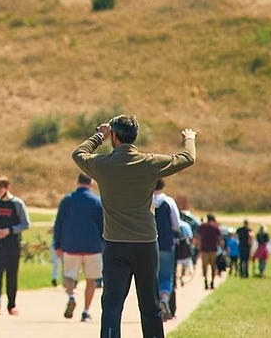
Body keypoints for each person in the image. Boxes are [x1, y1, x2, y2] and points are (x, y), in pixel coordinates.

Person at [73, 114, 196, 338]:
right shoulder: (148, 163)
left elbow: (78, 154)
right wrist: (189, 138)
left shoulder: (103, 165)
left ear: (115, 137)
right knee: (150, 304)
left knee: (112, 305)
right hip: (146, 244)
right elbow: (187, 157)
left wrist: (100, 135)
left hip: (114, 244)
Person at [54, 173, 104, 323]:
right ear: (91, 182)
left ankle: (71, 296)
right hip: (92, 247)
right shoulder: (97, 201)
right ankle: (86, 311)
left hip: (71, 245)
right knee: (91, 280)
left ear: (77, 182)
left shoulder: (67, 200)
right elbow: (103, 226)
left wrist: (57, 244)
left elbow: (59, 224)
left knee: (69, 276)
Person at [0, 176, 30, 315]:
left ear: (7, 188)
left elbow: (26, 224)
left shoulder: (17, 204)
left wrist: (9, 230)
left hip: (13, 245)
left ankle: (12, 305)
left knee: (12, 275)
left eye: (0, 187)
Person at [151, 180, 180, 319]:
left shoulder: (146, 201)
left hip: (149, 244)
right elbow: (176, 224)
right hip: (166, 244)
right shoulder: (168, 202)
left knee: (152, 277)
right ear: (163, 186)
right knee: (166, 276)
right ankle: (164, 299)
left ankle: (155, 306)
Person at [195, 214, 221, 290]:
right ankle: (212, 282)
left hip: (204, 249)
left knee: (204, 266)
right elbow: (219, 239)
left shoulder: (202, 226)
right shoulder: (216, 227)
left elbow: (198, 237)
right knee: (213, 266)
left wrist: (198, 247)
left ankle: (205, 280)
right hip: (213, 249)